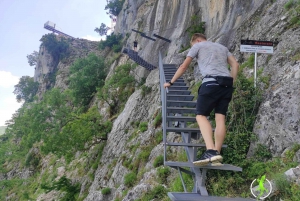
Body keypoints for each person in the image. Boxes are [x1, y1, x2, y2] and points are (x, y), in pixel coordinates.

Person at [164, 33, 239, 166]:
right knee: (220, 118)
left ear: (197, 40)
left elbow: (183, 66)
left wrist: (171, 82)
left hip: (210, 83)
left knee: (201, 116)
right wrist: (231, 82)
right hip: (226, 85)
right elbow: (235, 65)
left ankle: (210, 150)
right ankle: (217, 153)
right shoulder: (222, 47)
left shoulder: (197, 46)